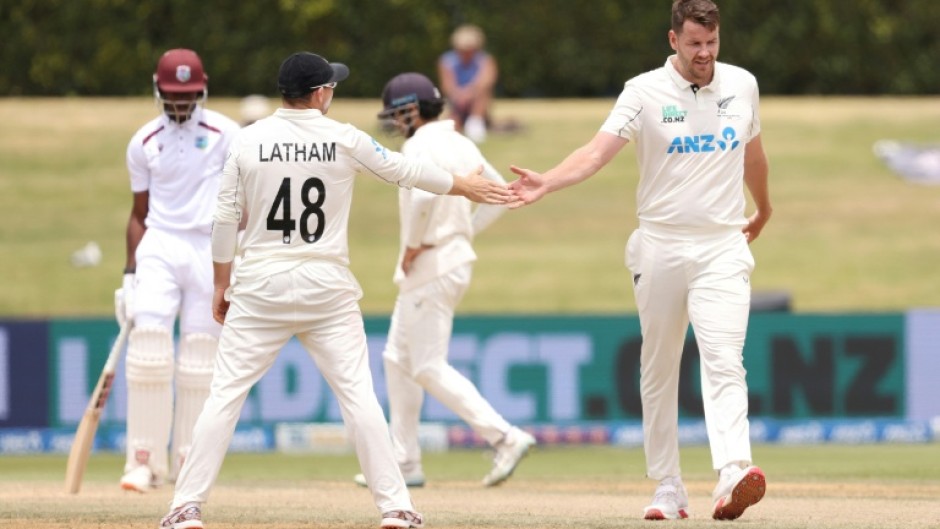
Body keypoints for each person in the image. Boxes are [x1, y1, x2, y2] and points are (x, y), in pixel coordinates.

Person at [159, 51, 512, 529]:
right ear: (320, 93)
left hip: (260, 283)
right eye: (332, 87)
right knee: (359, 397)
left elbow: (224, 220)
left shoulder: (247, 140)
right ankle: (397, 508)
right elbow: (403, 172)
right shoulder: (343, 138)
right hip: (326, 286)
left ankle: (186, 507)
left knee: (224, 396)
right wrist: (463, 186)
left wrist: (221, 283)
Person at [507, 0, 771, 521]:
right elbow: (596, 152)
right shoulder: (643, 91)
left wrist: (764, 207)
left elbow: (754, 155)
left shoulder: (742, 84)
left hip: (722, 244)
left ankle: (733, 471)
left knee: (724, 359)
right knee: (659, 365)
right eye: (694, 43)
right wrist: (549, 181)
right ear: (673, 40)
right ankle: (668, 487)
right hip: (660, 244)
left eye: (712, 43)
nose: (704, 54)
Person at [351, 72, 535, 491]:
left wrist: (416, 244)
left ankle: (504, 437)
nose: (396, 125)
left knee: (427, 365)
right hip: (448, 259)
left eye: (398, 116)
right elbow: (501, 196)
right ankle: (405, 459)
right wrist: (463, 231)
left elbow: (422, 196)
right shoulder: (459, 140)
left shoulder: (419, 145)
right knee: (397, 359)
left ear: (411, 111)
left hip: (431, 263)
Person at [115, 48, 241, 493]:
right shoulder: (144, 140)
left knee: (200, 359)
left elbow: (243, 200)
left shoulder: (227, 133)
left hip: (209, 247)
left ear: (202, 90)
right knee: (149, 348)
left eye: (187, 95)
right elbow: (138, 213)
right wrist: (130, 274)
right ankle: (143, 460)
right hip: (161, 244)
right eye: (172, 95)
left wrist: (237, 256)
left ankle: (189, 460)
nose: (180, 104)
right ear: (158, 90)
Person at [437, 24, 497, 144]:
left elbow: (486, 82)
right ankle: (457, 123)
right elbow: (447, 86)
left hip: (477, 102)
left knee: (483, 93)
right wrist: (459, 95)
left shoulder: (485, 60)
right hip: (456, 102)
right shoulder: (447, 61)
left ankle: (475, 123)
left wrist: (468, 94)